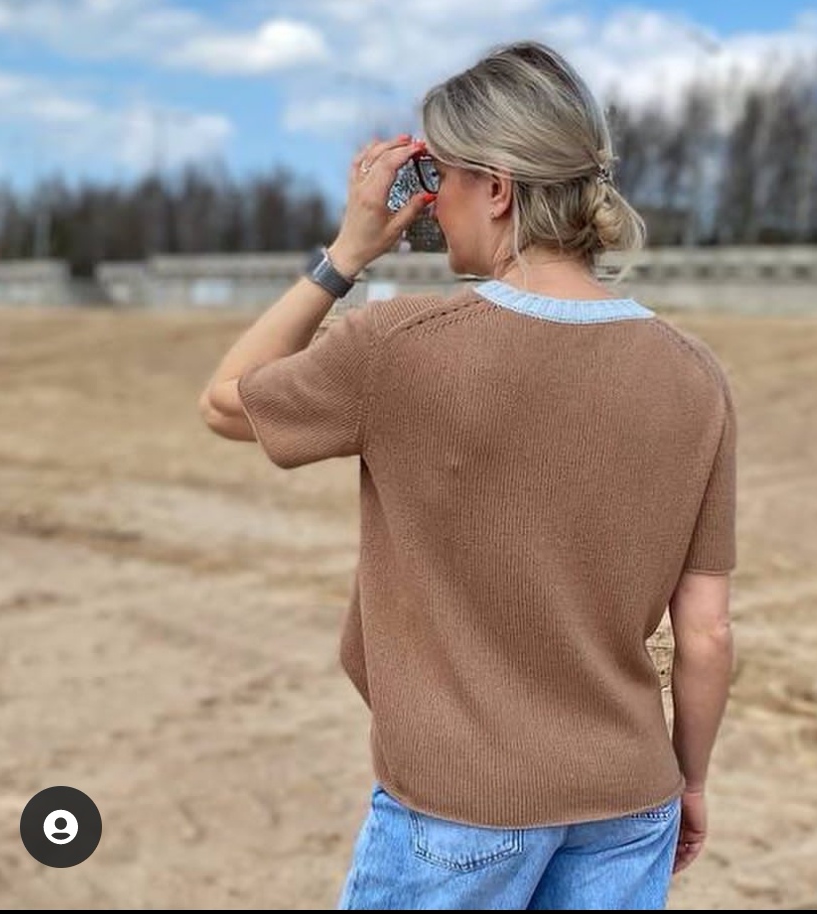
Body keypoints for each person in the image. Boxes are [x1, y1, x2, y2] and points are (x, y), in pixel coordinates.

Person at [198, 39, 736, 911]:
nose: (428, 201)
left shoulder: (400, 347)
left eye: (437, 173)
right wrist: (692, 781)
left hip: (460, 803)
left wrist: (345, 254)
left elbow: (226, 401)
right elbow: (705, 632)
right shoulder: (693, 374)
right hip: (630, 797)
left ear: (495, 189)